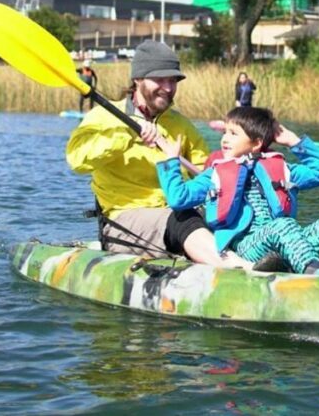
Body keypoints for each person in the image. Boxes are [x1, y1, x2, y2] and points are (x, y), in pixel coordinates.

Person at [66, 40, 247, 269]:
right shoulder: (103, 117)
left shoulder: (180, 124)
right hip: (124, 220)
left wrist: (238, 157)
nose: (168, 88)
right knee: (183, 218)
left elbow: (206, 171)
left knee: (231, 214)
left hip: (178, 213)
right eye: (159, 79)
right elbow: (76, 159)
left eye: (173, 80)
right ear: (138, 79)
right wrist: (126, 135)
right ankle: (237, 269)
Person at [158, 106, 319, 276]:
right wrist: (170, 163)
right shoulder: (215, 174)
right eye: (224, 132)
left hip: (291, 242)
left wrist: (294, 142)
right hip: (248, 248)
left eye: (233, 133)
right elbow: (179, 198)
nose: (224, 139)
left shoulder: (283, 169)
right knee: (282, 225)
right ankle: (317, 273)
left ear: (257, 142)